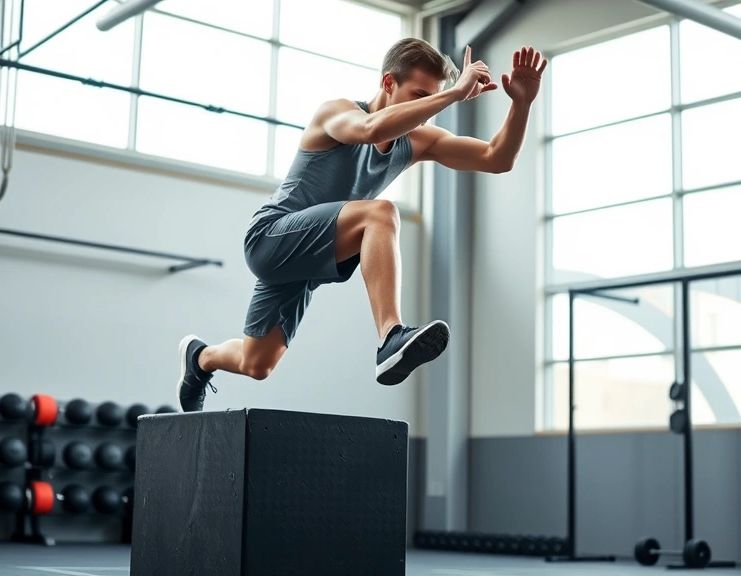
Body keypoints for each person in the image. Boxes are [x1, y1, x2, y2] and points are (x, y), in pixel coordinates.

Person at [173, 38, 547, 413]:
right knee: (380, 212)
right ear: (388, 83)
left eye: (431, 98)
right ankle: (391, 337)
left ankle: (200, 358)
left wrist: (522, 104)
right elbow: (371, 129)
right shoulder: (337, 112)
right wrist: (452, 96)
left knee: (257, 364)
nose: (424, 111)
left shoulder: (417, 140)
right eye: (417, 95)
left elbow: (496, 158)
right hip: (272, 236)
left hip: (307, 263)